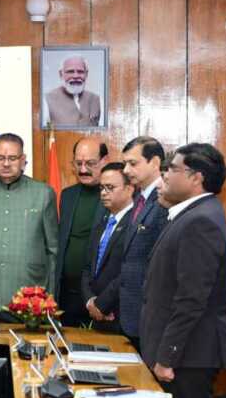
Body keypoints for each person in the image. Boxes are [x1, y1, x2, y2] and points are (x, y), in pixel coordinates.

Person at [140, 143, 226, 398]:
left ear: (197, 177)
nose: (165, 175)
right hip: (184, 353)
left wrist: (167, 356)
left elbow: (191, 300)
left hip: (188, 355)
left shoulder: (200, 221)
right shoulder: (191, 215)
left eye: (172, 169)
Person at [0, 133, 58, 320]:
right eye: (0, 158)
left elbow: (53, 250)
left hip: (30, 299)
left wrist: (50, 297)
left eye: (12, 158)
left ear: (23, 160)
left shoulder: (43, 193)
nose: (6, 164)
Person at [116, 136, 168, 351]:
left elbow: (163, 264)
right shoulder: (139, 198)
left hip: (152, 314)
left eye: (132, 163)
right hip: (131, 313)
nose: (126, 170)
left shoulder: (165, 200)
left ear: (154, 163)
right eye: (125, 164)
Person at [54, 138, 109, 326]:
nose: (83, 169)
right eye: (78, 163)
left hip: (98, 294)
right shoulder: (67, 195)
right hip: (66, 294)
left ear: (104, 161)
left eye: (90, 163)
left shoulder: (115, 195)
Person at [81, 162, 134, 333]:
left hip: (119, 315)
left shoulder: (135, 224)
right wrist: (90, 301)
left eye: (110, 187)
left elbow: (130, 271)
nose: (103, 193)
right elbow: (87, 267)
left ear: (129, 189)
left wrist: (102, 304)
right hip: (96, 314)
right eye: (101, 188)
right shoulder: (102, 222)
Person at [45, 56, 101, 127]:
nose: (75, 76)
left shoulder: (96, 99)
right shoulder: (46, 100)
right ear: (61, 74)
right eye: (70, 72)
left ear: (86, 74)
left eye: (80, 72)